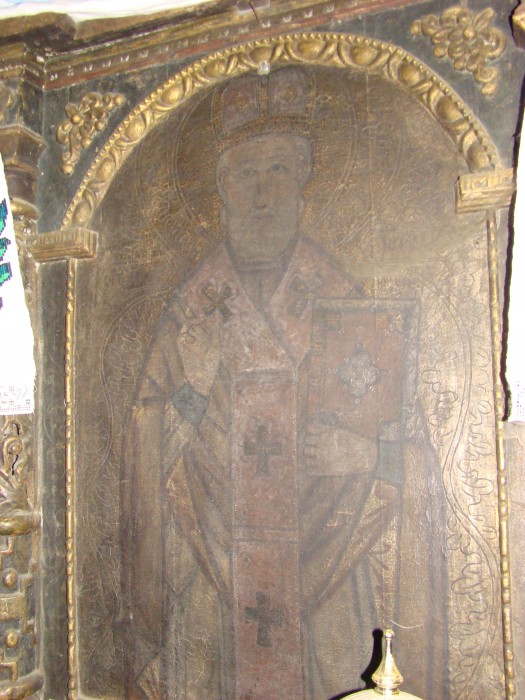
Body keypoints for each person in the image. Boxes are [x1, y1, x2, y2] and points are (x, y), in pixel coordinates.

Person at [122, 66, 447, 699]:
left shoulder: (345, 303)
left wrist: (368, 454)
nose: (262, 193)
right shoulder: (192, 312)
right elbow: (145, 453)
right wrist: (192, 391)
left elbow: (416, 458)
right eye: (246, 175)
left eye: (277, 171)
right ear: (223, 191)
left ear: (303, 186)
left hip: (329, 580)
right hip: (212, 579)